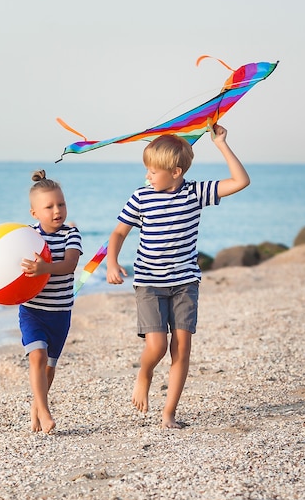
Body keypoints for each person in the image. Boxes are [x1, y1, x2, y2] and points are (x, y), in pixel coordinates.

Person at [106, 124, 250, 429]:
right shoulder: (141, 197)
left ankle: (169, 413)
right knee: (156, 347)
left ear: (175, 171)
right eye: (146, 170)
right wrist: (111, 262)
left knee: (181, 349)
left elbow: (241, 181)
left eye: (152, 171)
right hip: (149, 284)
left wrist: (222, 143)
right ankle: (144, 374)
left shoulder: (195, 193)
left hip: (185, 283)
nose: (147, 176)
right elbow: (119, 232)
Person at [0, 170, 82, 434]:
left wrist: (45, 268)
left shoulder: (70, 234)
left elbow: (70, 264)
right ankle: (45, 411)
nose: (57, 211)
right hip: (33, 310)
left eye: (61, 204)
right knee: (36, 357)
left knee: (49, 368)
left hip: (60, 312)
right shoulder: (25, 235)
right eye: (49, 206)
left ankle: (36, 407)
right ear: (34, 213)